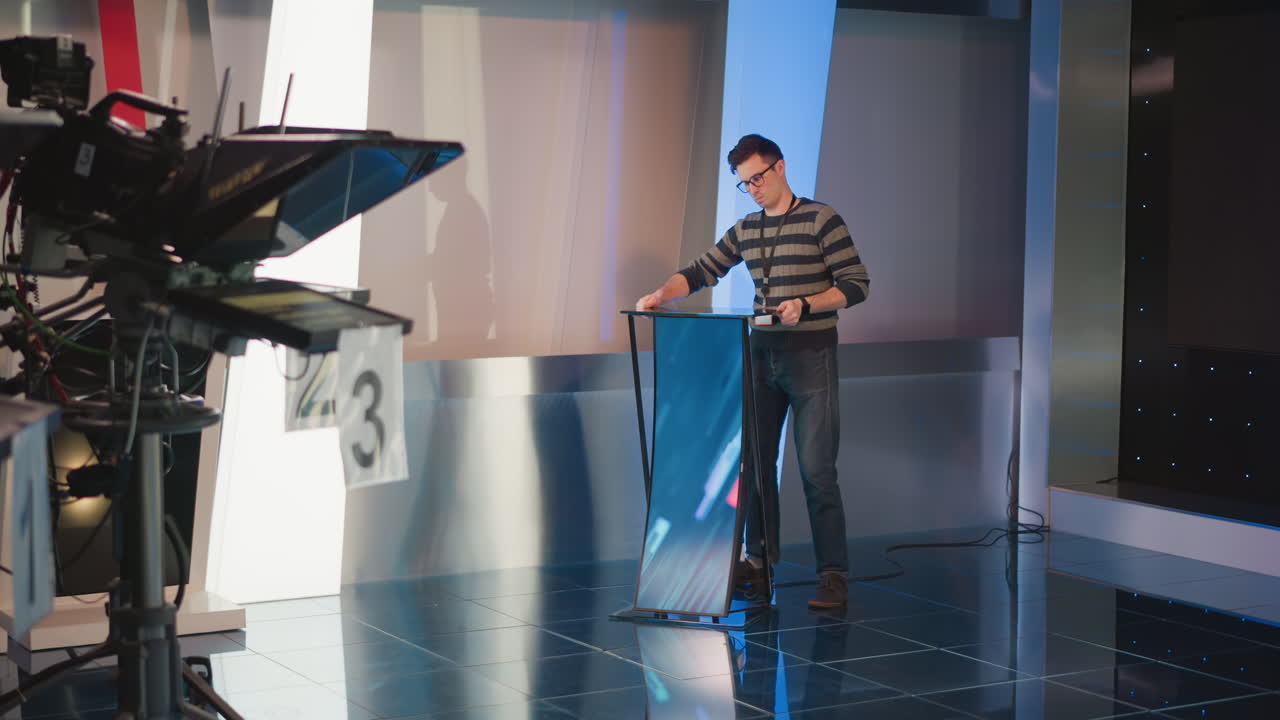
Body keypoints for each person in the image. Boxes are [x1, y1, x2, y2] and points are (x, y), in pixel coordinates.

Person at [635, 134, 869, 608]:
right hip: (760, 355)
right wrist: (663, 294)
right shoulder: (747, 228)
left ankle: (833, 575)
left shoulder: (822, 219)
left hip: (811, 355)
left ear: (780, 167)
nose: (754, 189)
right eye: (745, 184)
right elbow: (703, 270)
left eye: (758, 178)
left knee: (816, 469)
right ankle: (759, 560)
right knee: (755, 467)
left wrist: (805, 304)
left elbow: (855, 284)